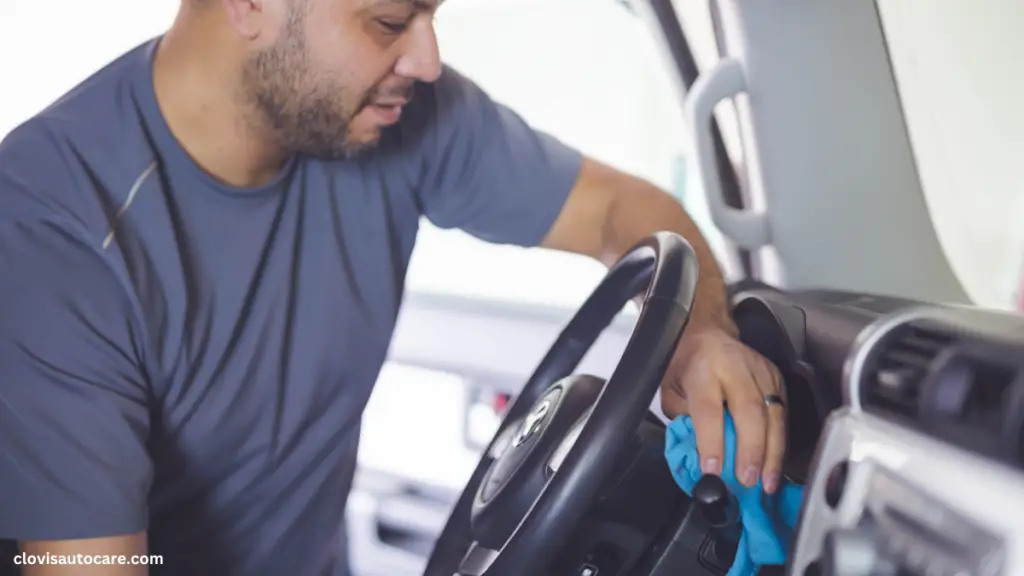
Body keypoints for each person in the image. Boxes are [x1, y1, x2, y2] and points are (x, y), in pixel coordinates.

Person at [0, 0, 784, 574]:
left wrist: (700, 334)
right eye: (388, 21)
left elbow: (624, 209)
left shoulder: (401, 117)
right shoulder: (49, 231)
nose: (427, 59)